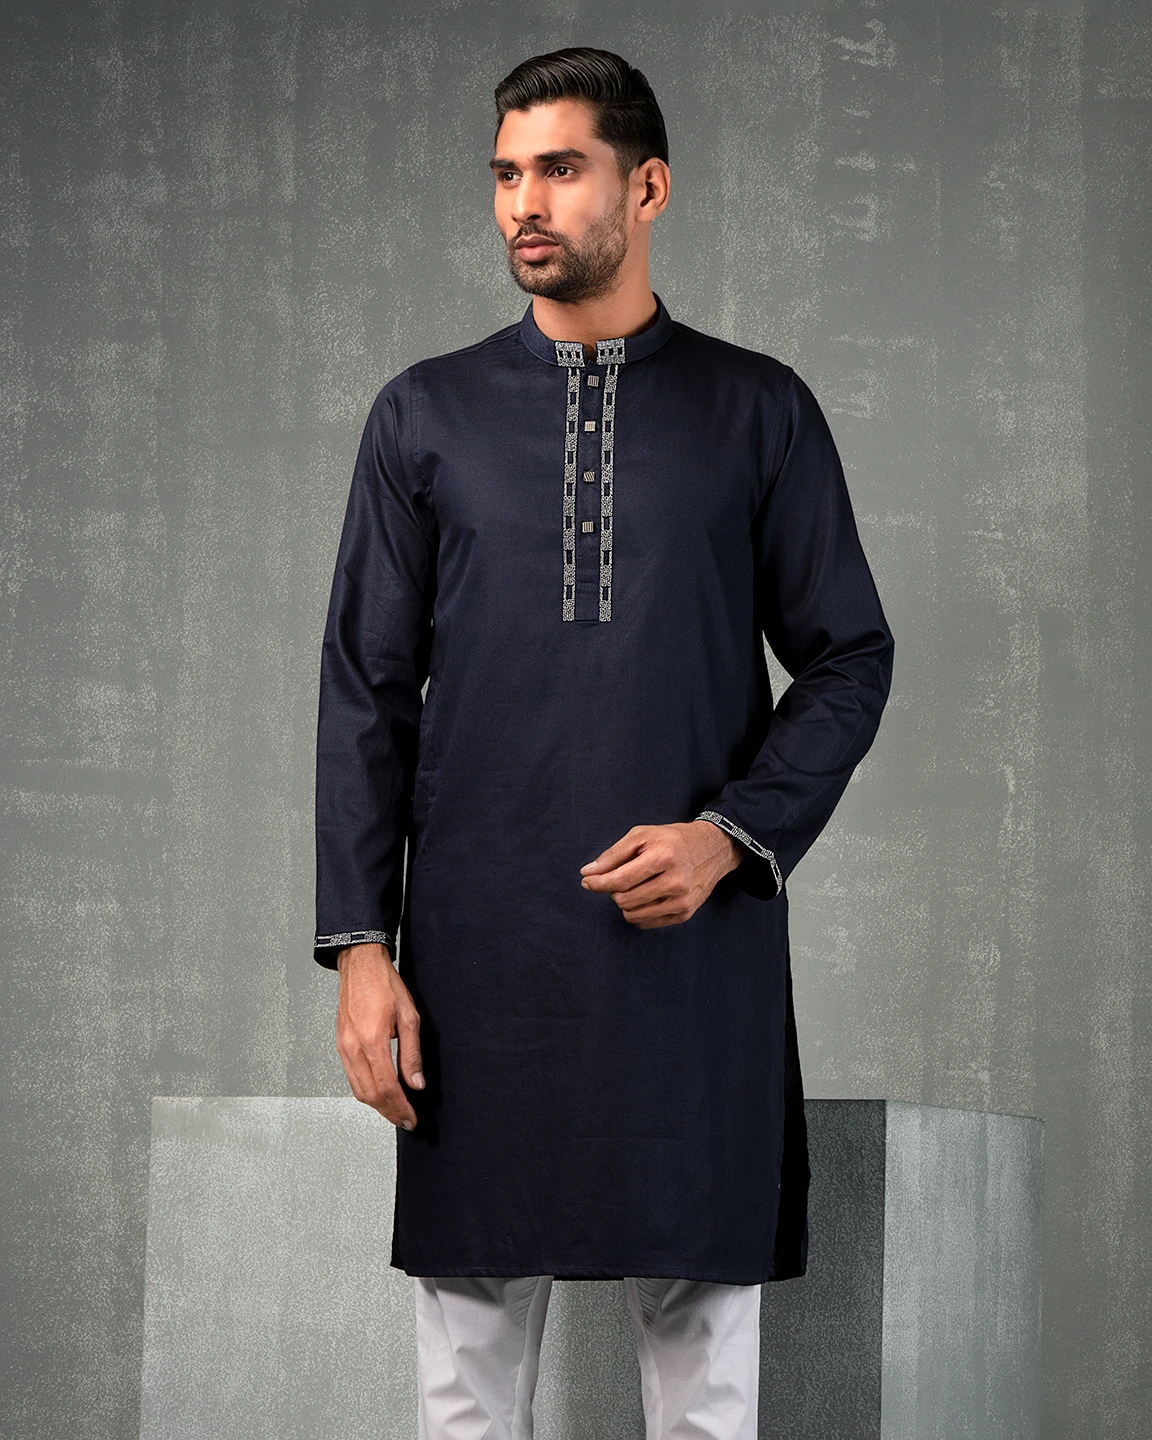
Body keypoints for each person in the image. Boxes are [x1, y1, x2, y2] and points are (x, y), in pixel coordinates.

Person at [313, 45, 895, 1440]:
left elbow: (850, 655)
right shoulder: (423, 415)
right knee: (466, 1381)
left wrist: (729, 837)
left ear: (648, 187)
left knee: (705, 1375)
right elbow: (365, 691)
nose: (526, 202)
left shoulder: (759, 409)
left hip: (693, 954)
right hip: (476, 959)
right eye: (508, 173)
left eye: (562, 168)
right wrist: (362, 951)